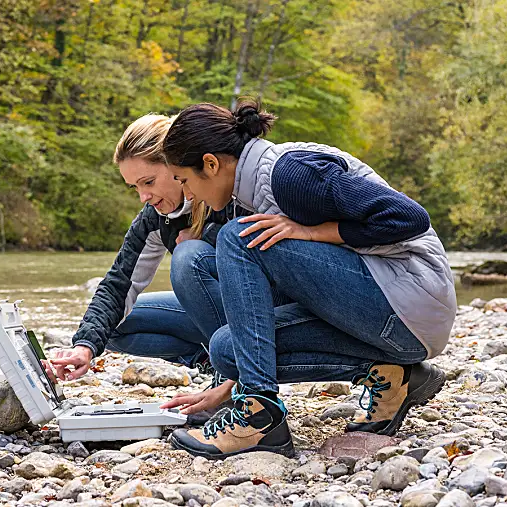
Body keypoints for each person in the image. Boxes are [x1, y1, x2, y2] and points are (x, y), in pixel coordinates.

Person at [159, 99, 455, 459]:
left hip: (410, 302)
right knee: (227, 349)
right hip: (388, 324)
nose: (188, 194)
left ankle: (259, 415)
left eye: (185, 181)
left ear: (210, 163)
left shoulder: (290, 173)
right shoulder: (248, 190)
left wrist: (311, 232)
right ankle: (397, 377)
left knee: (239, 237)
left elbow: (409, 217)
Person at [47, 114, 234, 398]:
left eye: (148, 182)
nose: (143, 196)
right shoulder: (155, 218)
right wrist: (83, 347)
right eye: (135, 187)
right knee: (113, 326)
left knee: (188, 255)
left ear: (175, 164)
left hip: (255, 314)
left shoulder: (224, 191)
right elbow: (118, 285)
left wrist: (207, 238)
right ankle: (205, 359)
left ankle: (231, 372)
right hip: (208, 312)